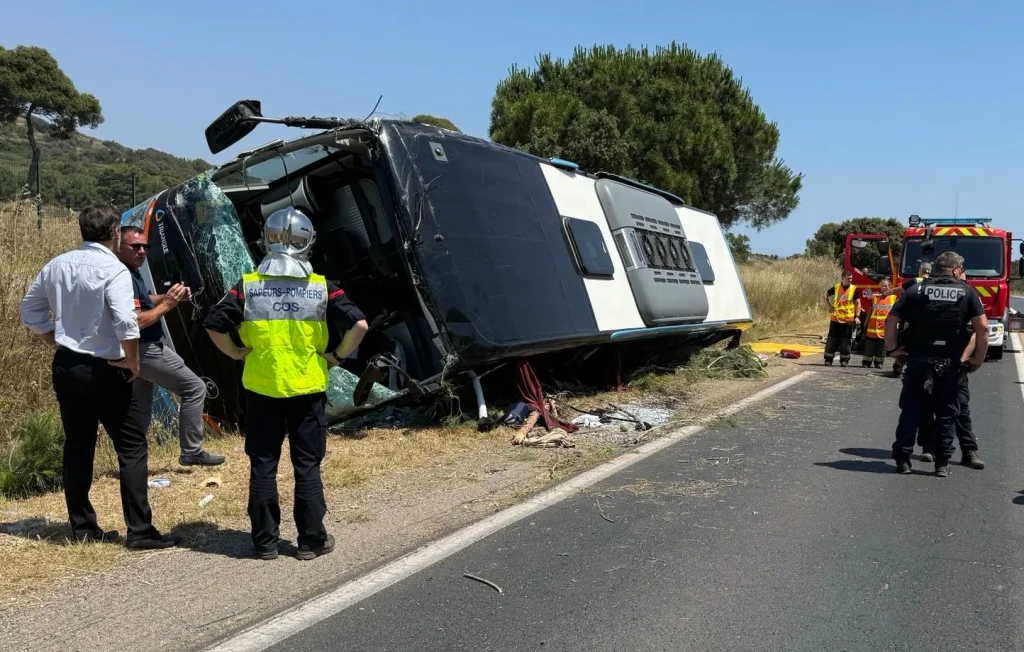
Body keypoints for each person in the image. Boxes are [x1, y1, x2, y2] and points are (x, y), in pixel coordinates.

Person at [204, 206, 368, 560]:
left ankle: (265, 543)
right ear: (308, 242)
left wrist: (236, 352)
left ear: (267, 240)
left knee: (263, 465)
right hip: (307, 389)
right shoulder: (321, 287)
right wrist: (337, 356)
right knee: (306, 465)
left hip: (262, 389)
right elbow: (360, 325)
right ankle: (311, 541)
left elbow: (214, 324)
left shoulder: (248, 287)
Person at [19, 206, 180, 549]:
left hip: (67, 364)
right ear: (116, 233)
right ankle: (140, 530)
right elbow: (126, 321)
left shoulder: (57, 264)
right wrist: (133, 361)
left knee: (78, 445)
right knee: (131, 446)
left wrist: (53, 339)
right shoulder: (114, 269)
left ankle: (83, 527)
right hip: (106, 365)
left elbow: (29, 309)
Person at [115, 226, 224, 466]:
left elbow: (144, 301)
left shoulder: (129, 272)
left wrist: (168, 296)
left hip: (135, 350)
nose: (142, 251)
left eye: (145, 247)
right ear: (118, 247)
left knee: (141, 409)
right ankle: (191, 451)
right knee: (194, 388)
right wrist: (168, 305)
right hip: (145, 348)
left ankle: (132, 460)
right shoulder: (123, 276)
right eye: (135, 246)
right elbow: (137, 321)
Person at [885, 251, 987, 477]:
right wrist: (978, 359)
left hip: (918, 359)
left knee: (911, 410)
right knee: (947, 414)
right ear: (955, 270)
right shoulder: (967, 292)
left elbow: (891, 320)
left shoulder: (915, 290)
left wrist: (892, 349)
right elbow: (982, 328)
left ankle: (903, 461)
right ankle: (941, 463)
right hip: (951, 362)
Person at [916, 265, 985, 470]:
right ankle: (929, 447)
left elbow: (976, 332)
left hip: (956, 362)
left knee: (960, 408)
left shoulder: (969, 296)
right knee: (928, 405)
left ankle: (968, 451)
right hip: (931, 360)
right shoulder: (929, 294)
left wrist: (963, 360)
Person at [892, 262, 933, 378]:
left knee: (903, 341)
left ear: (920, 270)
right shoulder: (934, 283)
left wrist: (886, 293)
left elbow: (898, 290)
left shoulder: (914, 281)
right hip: (927, 318)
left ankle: (898, 367)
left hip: (909, 317)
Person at [823, 271, 862, 367]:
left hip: (847, 320)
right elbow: (825, 294)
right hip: (835, 319)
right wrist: (829, 305)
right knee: (832, 340)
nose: (850, 280)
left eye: (851, 278)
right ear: (842, 278)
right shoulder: (836, 287)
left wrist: (857, 317)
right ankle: (828, 359)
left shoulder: (854, 289)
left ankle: (844, 360)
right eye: (848, 278)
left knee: (845, 342)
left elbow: (858, 304)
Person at [861, 278, 894, 368]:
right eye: (882, 286)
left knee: (881, 347)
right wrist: (866, 321)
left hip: (884, 328)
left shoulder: (893, 298)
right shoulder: (875, 297)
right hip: (872, 327)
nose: (884, 288)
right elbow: (870, 309)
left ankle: (879, 362)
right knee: (869, 346)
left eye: (886, 286)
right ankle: (866, 362)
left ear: (890, 287)